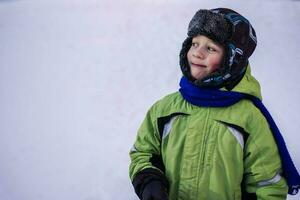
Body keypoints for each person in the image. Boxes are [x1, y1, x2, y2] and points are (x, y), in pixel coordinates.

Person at [129, 8, 299, 200]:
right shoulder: (165, 109)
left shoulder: (249, 119)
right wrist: (149, 180)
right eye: (194, 44)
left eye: (210, 48)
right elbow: (143, 152)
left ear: (232, 60)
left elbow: (267, 184)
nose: (197, 53)